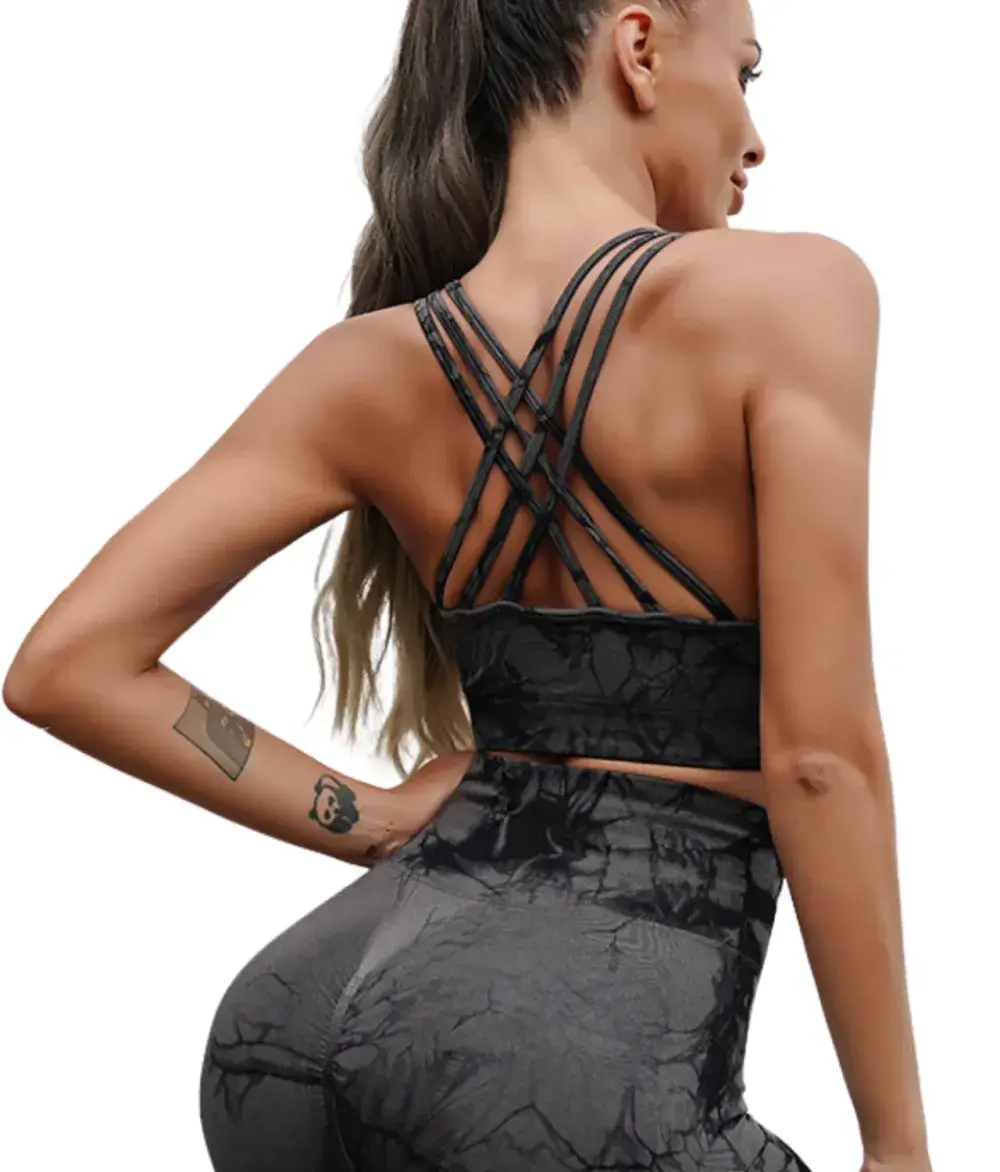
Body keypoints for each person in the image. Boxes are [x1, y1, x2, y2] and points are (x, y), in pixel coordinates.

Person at [2, 1, 933, 1170]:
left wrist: (369, 815)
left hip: (286, 1034)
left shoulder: (363, 367)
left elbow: (68, 665)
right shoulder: (792, 297)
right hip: (543, 1075)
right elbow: (820, 758)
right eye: (746, 74)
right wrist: (898, 1143)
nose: (754, 138)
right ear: (640, 48)